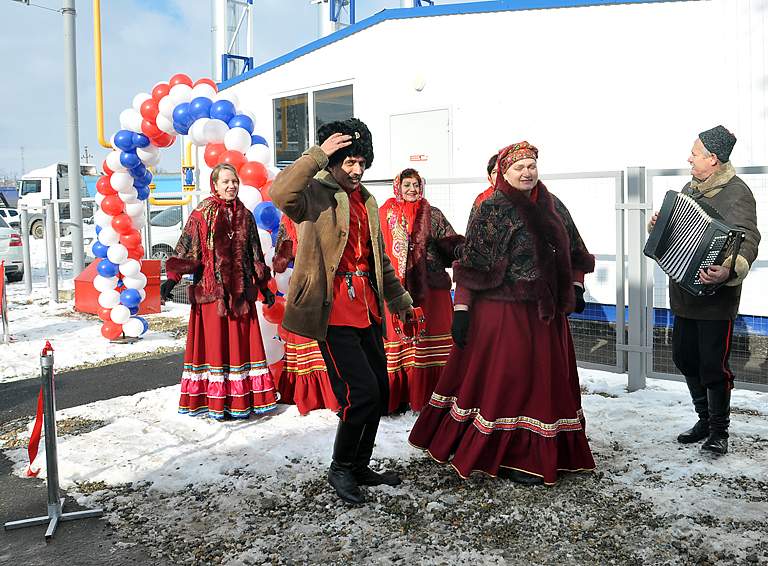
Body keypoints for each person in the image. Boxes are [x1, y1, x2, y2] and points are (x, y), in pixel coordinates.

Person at [409, 141, 596, 485]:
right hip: (502, 313)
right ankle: (510, 454)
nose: (527, 173)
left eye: (531, 166)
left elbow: (575, 251)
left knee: (545, 383)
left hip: (547, 314)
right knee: (509, 383)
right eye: (519, 167)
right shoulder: (491, 209)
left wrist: (576, 286)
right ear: (504, 172)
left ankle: (542, 451)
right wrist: (461, 310)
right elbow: (469, 266)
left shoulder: (554, 205)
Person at [270, 118, 414, 505]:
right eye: (348, 161)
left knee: (379, 391)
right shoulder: (313, 193)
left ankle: (359, 465)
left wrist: (401, 302)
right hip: (330, 310)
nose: (356, 170)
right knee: (359, 393)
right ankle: (340, 468)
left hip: (366, 308)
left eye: (361, 162)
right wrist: (316, 154)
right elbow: (279, 191)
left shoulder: (367, 199)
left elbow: (378, 258)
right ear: (332, 160)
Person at [649, 126, 760, 455]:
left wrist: (730, 268)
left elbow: (748, 237)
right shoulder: (689, 188)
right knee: (684, 358)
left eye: (695, 153)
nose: (689, 158)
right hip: (684, 295)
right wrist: (659, 225)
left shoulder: (737, 193)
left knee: (714, 365)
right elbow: (677, 233)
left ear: (713, 158)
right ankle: (703, 418)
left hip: (716, 298)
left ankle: (718, 431)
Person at [160, 163, 279, 420]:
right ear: (215, 185)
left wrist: (264, 288)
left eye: (234, 181)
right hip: (212, 295)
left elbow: (255, 255)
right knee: (215, 349)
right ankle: (214, 403)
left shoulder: (246, 215)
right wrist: (172, 278)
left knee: (239, 349)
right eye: (225, 181)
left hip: (241, 296)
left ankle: (241, 401)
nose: (231, 186)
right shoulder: (203, 213)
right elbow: (186, 248)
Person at [379, 168, 464, 412]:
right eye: (407, 185)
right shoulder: (386, 214)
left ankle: (437, 397)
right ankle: (399, 396)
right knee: (400, 342)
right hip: (397, 289)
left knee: (431, 341)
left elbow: (449, 241)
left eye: (416, 185)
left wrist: (464, 249)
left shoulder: (432, 214)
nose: (412, 189)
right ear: (398, 187)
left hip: (431, 286)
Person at [272, 215, 340, 415]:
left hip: (330, 282)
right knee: (305, 337)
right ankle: (307, 394)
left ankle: (331, 392)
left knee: (328, 338)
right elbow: (280, 260)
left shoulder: (331, 210)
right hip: (303, 285)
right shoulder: (290, 217)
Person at [469, 153, 499, 219]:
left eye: (501, 171)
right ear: (490, 178)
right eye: (494, 172)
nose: (499, 175)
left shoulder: (521, 194)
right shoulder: (482, 199)